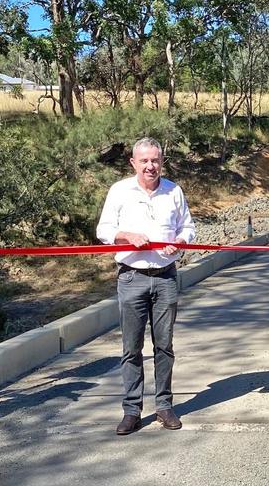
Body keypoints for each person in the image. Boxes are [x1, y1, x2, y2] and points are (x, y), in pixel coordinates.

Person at [97, 137, 196, 435]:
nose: (150, 166)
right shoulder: (119, 191)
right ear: (133, 163)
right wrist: (126, 236)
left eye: (155, 160)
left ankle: (164, 406)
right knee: (131, 348)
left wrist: (179, 242)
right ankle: (131, 410)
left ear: (162, 161)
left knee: (164, 346)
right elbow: (103, 230)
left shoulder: (173, 191)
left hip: (165, 277)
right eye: (144, 161)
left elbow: (188, 227)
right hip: (131, 277)